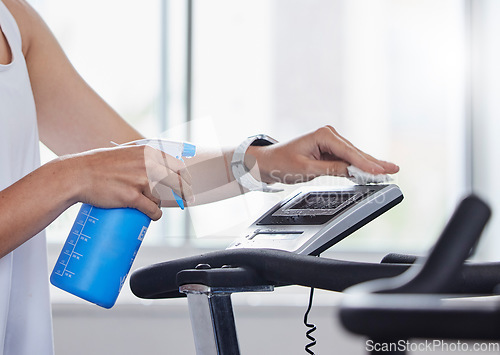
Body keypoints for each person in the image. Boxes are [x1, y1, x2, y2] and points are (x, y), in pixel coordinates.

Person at [0, 0, 399, 354]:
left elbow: (139, 167)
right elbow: (89, 171)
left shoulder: (15, 22)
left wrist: (264, 161)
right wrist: (68, 177)